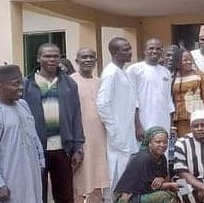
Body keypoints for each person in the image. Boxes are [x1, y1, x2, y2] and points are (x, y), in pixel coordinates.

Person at [23, 43, 85, 203]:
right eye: (47, 56)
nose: (52, 59)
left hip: (63, 149)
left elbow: (76, 116)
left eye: (55, 56)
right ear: (38, 58)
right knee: (38, 194)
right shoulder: (26, 85)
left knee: (65, 196)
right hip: (37, 149)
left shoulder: (69, 84)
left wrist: (78, 147)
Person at [0, 65, 44, 203]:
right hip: (10, 180)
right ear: (0, 85)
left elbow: (34, 135)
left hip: (32, 175)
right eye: (16, 84)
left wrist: (41, 161)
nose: (21, 87)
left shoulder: (23, 105)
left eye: (21, 83)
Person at [97, 37, 140, 191]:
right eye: (126, 49)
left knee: (127, 179)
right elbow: (102, 105)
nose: (130, 52)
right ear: (115, 53)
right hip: (117, 137)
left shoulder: (123, 71)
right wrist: (116, 133)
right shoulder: (111, 73)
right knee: (117, 179)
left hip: (127, 133)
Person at [71, 48, 110, 203]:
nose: (87, 60)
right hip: (81, 136)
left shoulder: (99, 82)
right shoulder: (70, 82)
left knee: (98, 175)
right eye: (84, 57)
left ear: (96, 61)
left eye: (91, 57)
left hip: (100, 136)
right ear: (76, 61)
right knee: (81, 175)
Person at [113, 127, 179, 203]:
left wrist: (162, 179)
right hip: (128, 197)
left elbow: (165, 178)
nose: (162, 145)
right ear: (149, 143)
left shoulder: (162, 157)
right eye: (158, 142)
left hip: (144, 192)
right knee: (164, 197)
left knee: (174, 194)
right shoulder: (144, 158)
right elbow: (149, 187)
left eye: (165, 142)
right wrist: (170, 185)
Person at [127, 38, 174, 135]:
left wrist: (171, 126)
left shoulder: (166, 72)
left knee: (161, 148)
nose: (154, 51)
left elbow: (168, 101)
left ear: (162, 52)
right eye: (151, 48)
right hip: (143, 123)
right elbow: (132, 101)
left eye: (158, 49)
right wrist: (138, 126)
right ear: (144, 50)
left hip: (163, 123)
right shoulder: (134, 70)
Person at [170, 49, 204, 136]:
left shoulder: (198, 75)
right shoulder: (171, 77)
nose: (189, 62)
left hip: (198, 118)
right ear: (177, 62)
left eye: (190, 59)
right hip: (178, 120)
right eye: (185, 60)